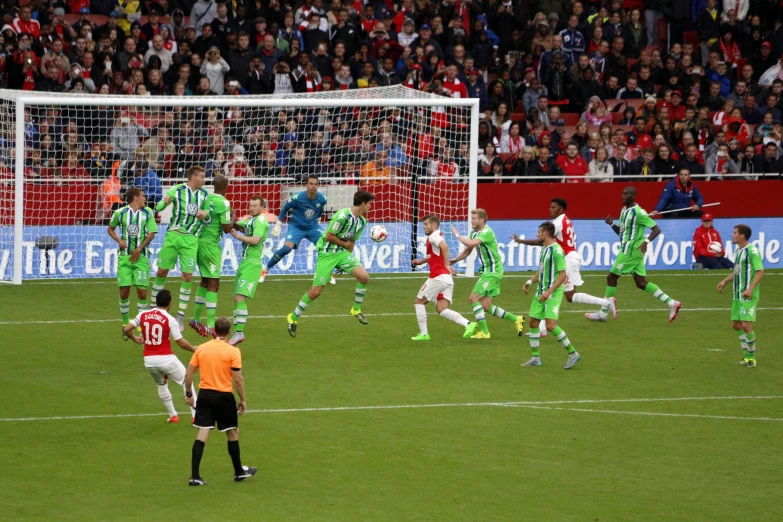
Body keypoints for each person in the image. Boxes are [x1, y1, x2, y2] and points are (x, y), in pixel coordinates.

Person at [512, 198, 617, 339]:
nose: (550, 209)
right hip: (569, 257)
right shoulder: (565, 220)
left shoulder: (558, 223)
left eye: (553, 207)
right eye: (550, 207)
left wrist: (521, 241)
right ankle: (542, 328)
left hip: (567, 258)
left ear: (561, 209)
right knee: (561, 292)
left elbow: (541, 240)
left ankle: (606, 302)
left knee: (564, 294)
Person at [586, 186, 682, 323]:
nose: (623, 196)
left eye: (627, 194)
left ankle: (603, 312)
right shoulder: (624, 210)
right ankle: (672, 303)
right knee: (641, 283)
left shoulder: (639, 213)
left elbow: (656, 229)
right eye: (622, 193)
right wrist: (612, 224)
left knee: (611, 278)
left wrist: (646, 242)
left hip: (630, 251)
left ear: (634, 196)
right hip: (630, 250)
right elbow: (622, 232)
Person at [287, 190, 376, 337]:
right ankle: (293, 317)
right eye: (369, 204)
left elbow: (351, 242)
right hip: (327, 254)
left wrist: (345, 260)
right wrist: (345, 245)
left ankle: (356, 309)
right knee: (316, 292)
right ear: (362, 204)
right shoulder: (341, 216)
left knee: (364, 277)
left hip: (342, 254)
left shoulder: (362, 222)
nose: (370, 207)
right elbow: (329, 237)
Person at [184, 316, 257, 486]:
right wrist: (243, 399)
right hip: (224, 397)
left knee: (202, 434)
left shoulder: (201, 349)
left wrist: (189, 394)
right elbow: (237, 379)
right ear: (229, 331)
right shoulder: (233, 351)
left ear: (214, 331)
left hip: (205, 396)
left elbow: (188, 375)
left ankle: (195, 476)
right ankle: (239, 472)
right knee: (232, 433)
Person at [122, 290, 198, 424]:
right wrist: (193, 349)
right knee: (187, 380)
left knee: (161, 384)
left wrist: (135, 339)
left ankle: (173, 415)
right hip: (166, 358)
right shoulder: (169, 319)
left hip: (149, 361)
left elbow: (127, 328)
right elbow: (180, 342)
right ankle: (195, 416)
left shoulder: (143, 314)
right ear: (170, 303)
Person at [449, 209, 525, 339]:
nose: (471, 221)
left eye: (474, 218)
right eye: (471, 218)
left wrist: (457, 235)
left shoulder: (486, 232)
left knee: (473, 299)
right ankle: (516, 319)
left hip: (492, 271)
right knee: (486, 306)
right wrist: (455, 260)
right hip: (489, 271)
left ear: (482, 220)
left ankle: (485, 332)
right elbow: (468, 250)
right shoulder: (475, 233)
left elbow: (470, 243)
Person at [153, 166, 210, 331]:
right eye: (201, 176)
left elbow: (208, 216)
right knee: (161, 271)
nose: (204, 179)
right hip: (173, 235)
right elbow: (158, 208)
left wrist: (205, 214)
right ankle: (153, 309)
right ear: (193, 177)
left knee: (187, 276)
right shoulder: (177, 189)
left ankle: (180, 317)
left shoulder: (204, 195)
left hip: (191, 239)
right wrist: (163, 203)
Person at [521, 221, 581, 369]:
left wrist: (549, 292)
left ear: (545, 233)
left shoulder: (557, 250)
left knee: (550, 325)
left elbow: (562, 275)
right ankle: (536, 358)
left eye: (539, 232)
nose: (537, 235)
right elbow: (541, 271)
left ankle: (573, 353)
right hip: (541, 291)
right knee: (533, 322)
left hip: (552, 293)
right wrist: (529, 281)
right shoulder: (544, 249)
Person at [410, 214, 476, 341]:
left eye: (426, 224)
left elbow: (444, 246)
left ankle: (424, 334)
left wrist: (446, 265)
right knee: (441, 309)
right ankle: (468, 324)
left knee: (418, 302)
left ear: (434, 225)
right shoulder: (434, 237)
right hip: (446, 279)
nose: (424, 227)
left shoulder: (434, 235)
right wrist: (421, 262)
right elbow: (432, 256)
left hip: (438, 278)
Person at [265, 176, 333, 284]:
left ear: (318, 186)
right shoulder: (297, 197)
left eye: (315, 184)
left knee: (326, 247)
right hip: (296, 226)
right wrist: (278, 224)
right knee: (287, 248)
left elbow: (319, 210)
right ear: (306, 185)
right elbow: (285, 208)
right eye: (311, 184)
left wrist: (318, 219)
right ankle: (265, 269)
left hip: (312, 227)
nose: (313, 186)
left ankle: (325, 273)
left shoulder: (322, 198)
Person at [190, 175, 234, 338]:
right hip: (210, 246)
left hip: (199, 242)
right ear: (226, 186)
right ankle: (209, 325)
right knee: (214, 284)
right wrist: (234, 217)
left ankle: (195, 318)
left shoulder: (205, 198)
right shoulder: (224, 203)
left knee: (205, 280)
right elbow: (226, 229)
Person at [107, 188, 158, 328]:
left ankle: (142, 325)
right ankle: (125, 323)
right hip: (125, 258)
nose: (145, 198)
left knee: (142, 292)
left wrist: (139, 248)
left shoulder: (148, 213)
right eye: (142, 196)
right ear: (135, 198)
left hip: (141, 258)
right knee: (124, 292)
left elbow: (151, 233)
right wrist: (118, 240)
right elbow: (110, 229)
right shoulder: (120, 213)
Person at [226, 196, 269, 346]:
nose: (252, 208)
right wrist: (230, 217)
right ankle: (237, 331)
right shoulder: (251, 220)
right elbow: (239, 226)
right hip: (245, 263)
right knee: (236, 299)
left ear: (261, 206)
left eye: (255, 205)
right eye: (250, 205)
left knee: (239, 298)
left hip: (253, 264)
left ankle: (239, 333)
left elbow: (255, 240)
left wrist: (237, 236)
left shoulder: (261, 221)